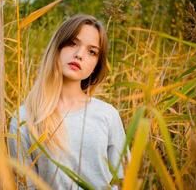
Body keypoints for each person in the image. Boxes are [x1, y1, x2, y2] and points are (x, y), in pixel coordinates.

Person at [8, 14, 129, 190]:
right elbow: (25, 186)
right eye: (73, 43)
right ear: (57, 47)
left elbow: (124, 180)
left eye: (92, 52)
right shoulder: (24, 118)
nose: (79, 55)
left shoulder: (108, 115)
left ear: (97, 65)